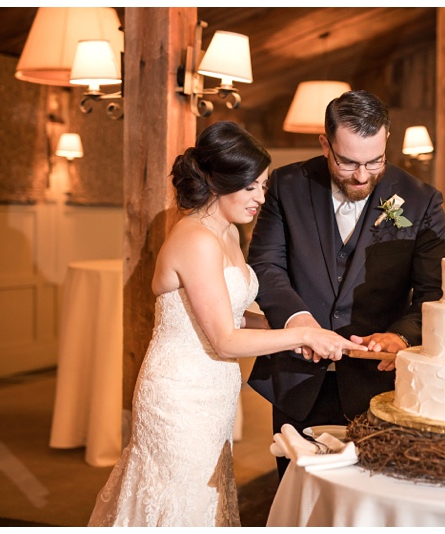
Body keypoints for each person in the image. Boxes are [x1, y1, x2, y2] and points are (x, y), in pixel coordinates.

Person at [90, 122, 365, 526]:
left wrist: (297, 333)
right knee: (177, 502)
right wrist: (301, 333)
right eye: (251, 187)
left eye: (264, 185)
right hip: (179, 394)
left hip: (214, 393)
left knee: (204, 498)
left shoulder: (229, 234)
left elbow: (231, 314)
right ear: (219, 183)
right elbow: (223, 339)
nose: (260, 197)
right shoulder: (195, 239)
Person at [246, 90, 445, 476]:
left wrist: (402, 337)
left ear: (387, 139)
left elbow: (435, 291)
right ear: (325, 144)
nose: (361, 175)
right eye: (348, 162)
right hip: (298, 376)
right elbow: (265, 263)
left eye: (374, 161)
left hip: (378, 382)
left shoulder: (421, 201)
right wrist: (298, 322)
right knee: (298, 495)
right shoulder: (286, 185)